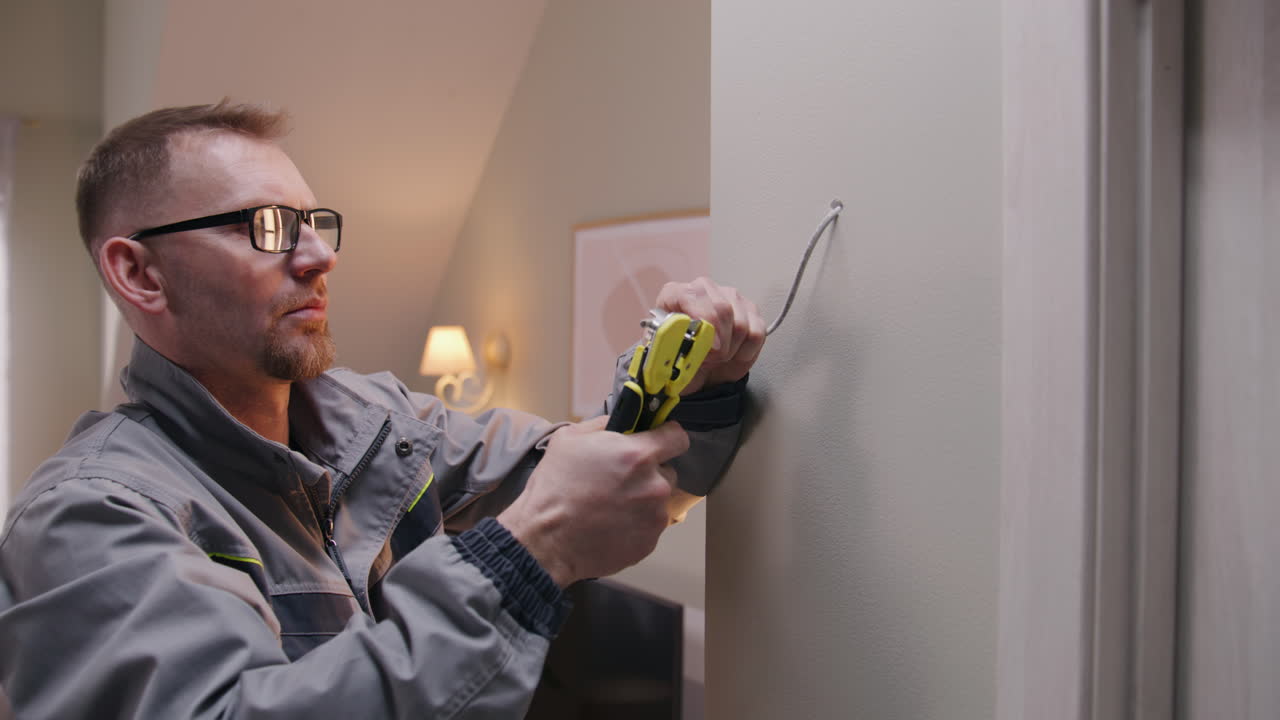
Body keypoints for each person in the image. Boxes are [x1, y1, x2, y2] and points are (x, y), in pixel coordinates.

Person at [0, 102, 765, 718]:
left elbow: (616, 478)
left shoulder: (384, 423)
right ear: (139, 273)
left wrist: (700, 395)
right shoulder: (88, 520)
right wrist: (528, 553)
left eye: (313, 223)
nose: (319, 257)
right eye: (265, 227)